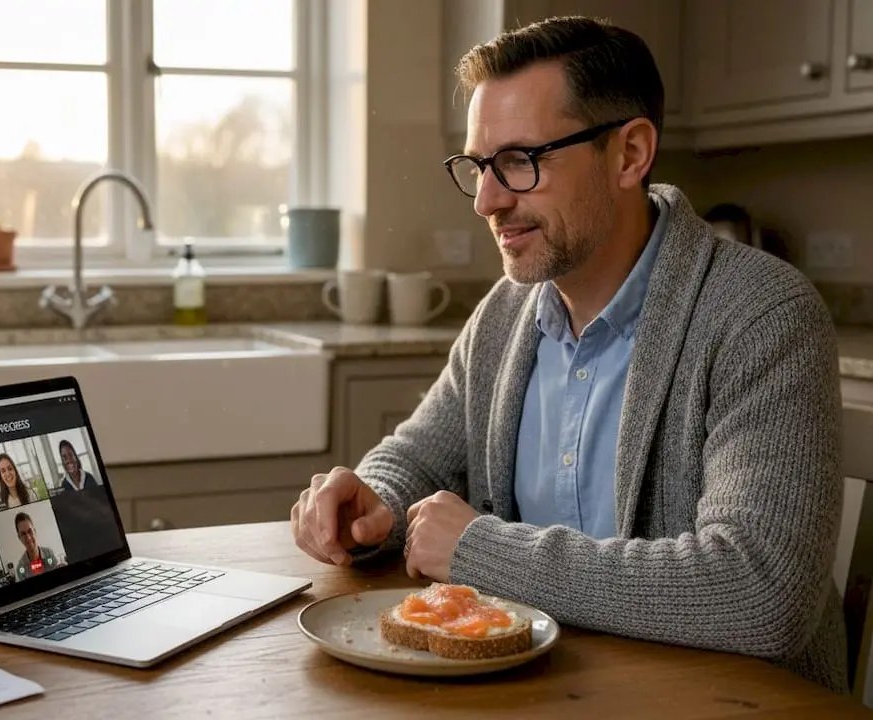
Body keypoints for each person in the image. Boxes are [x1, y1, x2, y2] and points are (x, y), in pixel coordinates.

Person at [290, 16, 845, 693]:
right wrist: (374, 495)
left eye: (521, 161)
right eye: (477, 166)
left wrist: (481, 551)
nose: (488, 201)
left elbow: (761, 593)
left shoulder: (762, 314)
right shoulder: (507, 311)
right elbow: (420, 454)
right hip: (547, 692)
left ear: (629, 154)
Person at [13, 512, 63, 580]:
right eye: (23, 534)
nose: (28, 537)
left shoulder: (49, 553)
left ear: (35, 531)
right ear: (19, 537)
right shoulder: (20, 568)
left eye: (30, 531)